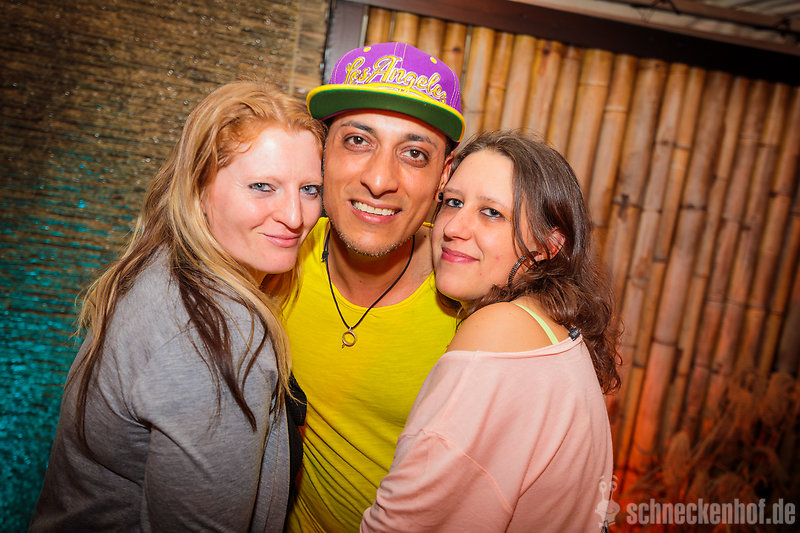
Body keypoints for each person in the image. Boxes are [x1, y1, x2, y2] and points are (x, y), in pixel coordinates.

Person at [30, 81, 325, 531]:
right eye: (262, 186)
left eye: (309, 189)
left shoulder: (162, 264)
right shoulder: (215, 337)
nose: (294, 216)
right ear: (199, 190)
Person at [361, 130, 621, 532]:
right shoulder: (550, 328)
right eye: (453, 202)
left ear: (546, 247)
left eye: (491, 213)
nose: (453, 227)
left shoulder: (497, 333)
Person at [281, 42, 464, 532]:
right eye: (358, 140)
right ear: (323, 152)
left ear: (444, 175)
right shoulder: (275, 255)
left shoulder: (473, 303)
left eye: (414, 153)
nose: (380, 180)